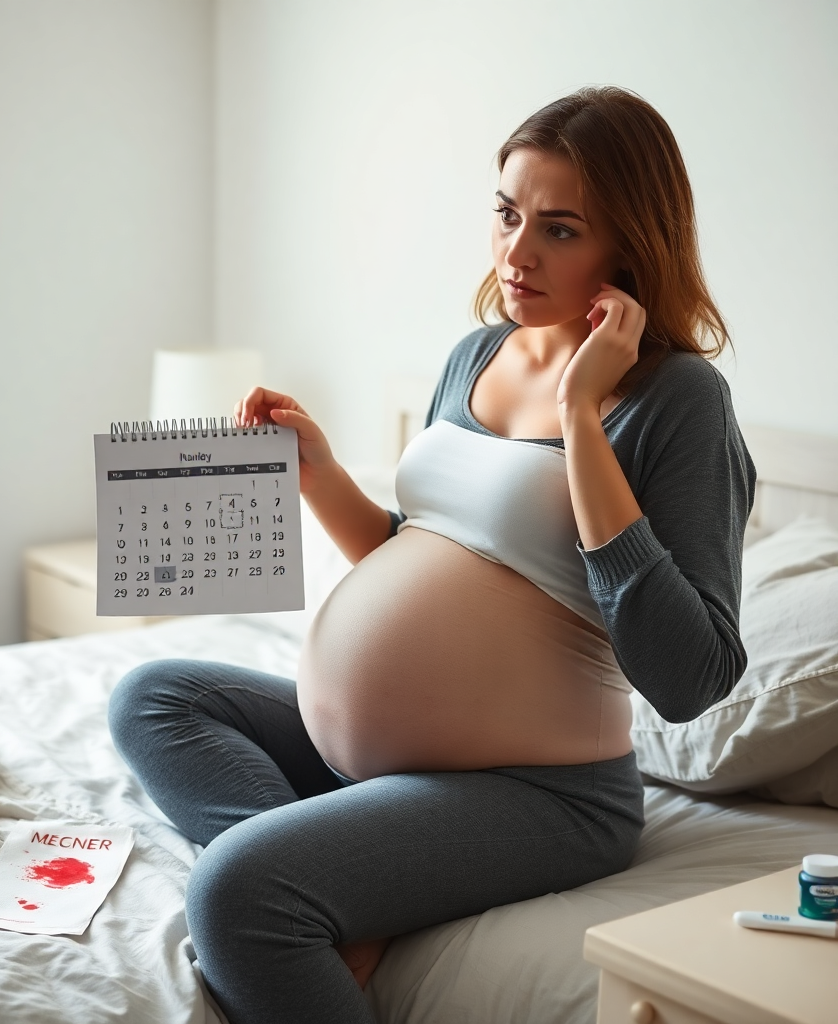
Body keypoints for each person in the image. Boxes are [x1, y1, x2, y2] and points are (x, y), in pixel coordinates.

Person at [108, 85, 755, 1024]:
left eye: (560, 229)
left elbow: (691, 674)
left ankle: (301, 886)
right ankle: (332, 883)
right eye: (506, 213)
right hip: (382, 766)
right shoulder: (477, 354)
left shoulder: (680, 399)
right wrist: (321, 472)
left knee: (233, 896)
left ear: (632, 243)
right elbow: (417, 556)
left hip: (540, 793)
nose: (516, 252)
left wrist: (581, 415)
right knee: (156, 697)